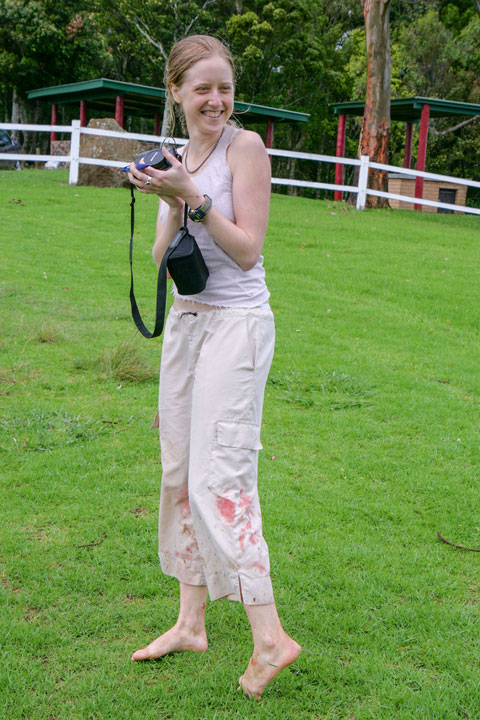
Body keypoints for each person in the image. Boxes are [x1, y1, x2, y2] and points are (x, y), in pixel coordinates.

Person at [128, 34, 300, 700]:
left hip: (237, 325)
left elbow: (248, 250)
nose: (216, 100)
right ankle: (191, 622)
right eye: (202, 88)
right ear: (175, 92)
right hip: (189, 323)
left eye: (224, 86)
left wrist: (195, 195)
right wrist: (167, 192)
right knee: (177, 471)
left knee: (219, 474)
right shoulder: (181, 154)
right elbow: (156, 257)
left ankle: (270, 637)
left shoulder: (244, 148)